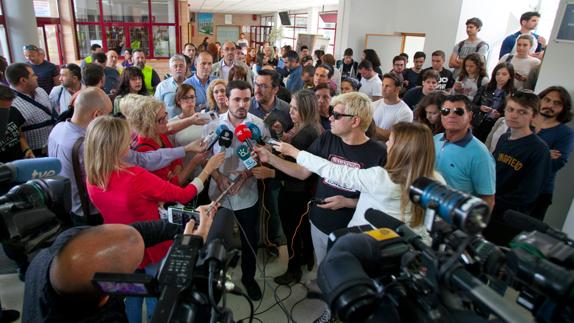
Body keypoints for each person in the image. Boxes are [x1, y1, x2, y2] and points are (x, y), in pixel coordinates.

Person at [254, 92, 387, 322]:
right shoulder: (327, 139)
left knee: (350, 276)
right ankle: (329, 310)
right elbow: (303, 171)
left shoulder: (377, 153)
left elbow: (383, 198)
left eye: (336, 114)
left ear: (355, 121)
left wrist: (350, 202)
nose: (330, 118)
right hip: (320, 222)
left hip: (354, 231)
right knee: (326, 270)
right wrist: (270, 158)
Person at [84, 115, 223, 322]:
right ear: (117, 146)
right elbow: (184, 194)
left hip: (119, 245)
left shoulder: (93, 175)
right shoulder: (135, 177)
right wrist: (208, 169)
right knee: (156, 293)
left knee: (132, 293)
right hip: (151, 246)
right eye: (126, 140)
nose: (131, 143)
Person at [22, 206, 218, 323]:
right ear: (109, 292)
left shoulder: (63, 246)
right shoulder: (106, 317)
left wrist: (187, 229)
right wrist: (193, 256)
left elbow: (133, 233)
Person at [48, 88, 202, 226]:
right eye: (108, 114)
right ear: (97, 115)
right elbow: (140, 159)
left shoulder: (59, 128)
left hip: (70, 206)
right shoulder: (92, 145)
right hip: (95, 210)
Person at [273, 121, 445, 244]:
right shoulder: (436, 181)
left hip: (367, 243)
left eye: (390, 140)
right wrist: (349, 201)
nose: (386, 143)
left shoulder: (383, 179)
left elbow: (334, 171)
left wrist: (296, 153)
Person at [202, 80, 269, 300]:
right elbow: (205, 158)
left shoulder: (258, 124)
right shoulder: (213, 125)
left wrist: (247, 174)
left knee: (250, 238)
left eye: (246, 99)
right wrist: (218, 177)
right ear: (226, 99)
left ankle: (248, 278)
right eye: (237, 99)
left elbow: (263, 157)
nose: (242, 104)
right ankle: (214, 281)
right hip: (218, 192)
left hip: (247, 192)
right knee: (216, 239)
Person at [251, 90, 321, 285]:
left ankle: (293, 269)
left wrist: (272, 170)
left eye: (295, 109)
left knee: (292, 233)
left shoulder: (304, 135)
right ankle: (306, 258)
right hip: (303, 193)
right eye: (290, 107)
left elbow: (298, 171)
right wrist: (279, 137)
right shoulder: (309, 128)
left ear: (306, 110)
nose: (290, 112)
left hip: (295, 192)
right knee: (302, 231)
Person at [482, 91, 550, 246]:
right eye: (510, 110)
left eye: (522, 112)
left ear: (533, 116)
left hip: (508, 218)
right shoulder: (504, 138)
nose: (514, 115)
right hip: (489, 209)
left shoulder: (539, 150)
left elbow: (528, 194)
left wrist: (493, 202)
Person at [434, 94, 495, 210]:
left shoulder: (480, 154)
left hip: (454, 218)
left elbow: (488, 199)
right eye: (446, 111)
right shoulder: (435, 139)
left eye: (458, 111)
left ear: (470, 116)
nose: (451, 115)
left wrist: (471, 225)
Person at [530, 86, 574, 220]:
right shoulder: (525, 122)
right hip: (511, 184)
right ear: (539, 100)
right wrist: (544, 153)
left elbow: (557, 163)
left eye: (557, 103)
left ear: (563, 108)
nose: (550, 105)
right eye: (547, 100)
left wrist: (527, 154)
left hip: (539, 192)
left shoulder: (565, 133)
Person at [6, 63, 54, 157]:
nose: (37, 77)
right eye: (33, 75)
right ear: (23, 80)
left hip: (52, 145)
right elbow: (15, 135)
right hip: (35, 154)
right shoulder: (11, 104)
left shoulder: (40, 90)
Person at [471, 62, 515, 142]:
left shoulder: (512, 93)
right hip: (479, 122)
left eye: (504, 74)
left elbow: (512, 112)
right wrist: (480, 108)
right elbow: (472, 105)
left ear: (510, 76)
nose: (500, 77)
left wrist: (500, 115)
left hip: (497, 125)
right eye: (497, 74)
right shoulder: (485, 88)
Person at [250, 69, 293, 138]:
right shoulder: (246, 106)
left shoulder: (288, 110)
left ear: (275, 90)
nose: (257, 90)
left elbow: (290, 140)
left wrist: (280, 132)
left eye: (263, 86)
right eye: (256, 84)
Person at [372, 73, 413, 141]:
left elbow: (393, 137)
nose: (383, 89)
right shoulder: (373, 105)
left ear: (397, 89)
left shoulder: (406, 112)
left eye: (387, 86)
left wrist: (368, 124)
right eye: (383, 85)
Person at [0, 85, 32, 163]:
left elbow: (20, 136)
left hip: (18, 163)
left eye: (8, 107)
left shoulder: (14, 111)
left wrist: (27, 150)